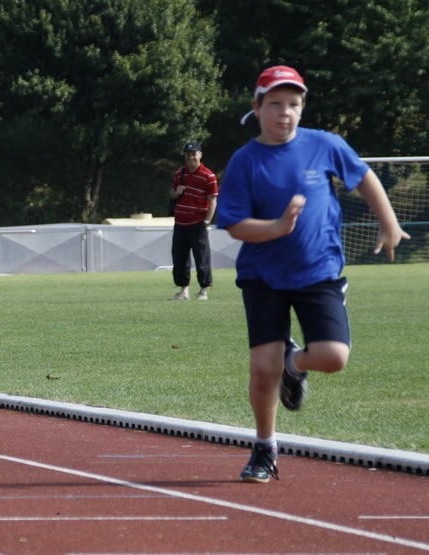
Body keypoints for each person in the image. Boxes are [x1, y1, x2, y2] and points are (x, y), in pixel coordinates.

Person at [216, 65, 410, 483]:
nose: (284, 112)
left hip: (318, 271)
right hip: (263, 276)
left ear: (302, 108)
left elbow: (365, 177)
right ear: (257, 108)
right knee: (262, 367)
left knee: (333, 358)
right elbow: (234, 224)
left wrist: (389, 222)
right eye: (275, 104)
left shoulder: (325, 144)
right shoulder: (245, 160)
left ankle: (294, 363)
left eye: (293, 104)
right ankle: (264, 447)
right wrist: (276, 228)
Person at [169, 141, 217, 301]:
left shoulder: (208, 176)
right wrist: (176, 192)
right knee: (179, 258)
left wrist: (207, 222)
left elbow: (212, 201)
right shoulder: (179, 174)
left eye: (194, 154)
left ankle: (203, 290)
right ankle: (184, 291)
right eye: (188, 154)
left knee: (202, 257)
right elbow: (172, 194)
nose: (191, 157)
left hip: (198, 223)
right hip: (180, 223)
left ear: (200, 155)